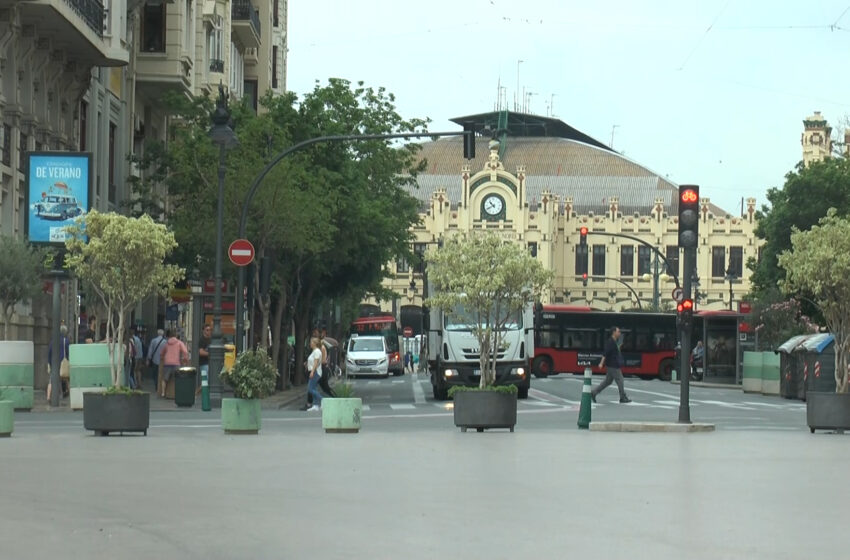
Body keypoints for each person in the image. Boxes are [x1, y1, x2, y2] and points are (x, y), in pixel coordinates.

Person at [591, 326, 632, 404]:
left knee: (608, 381)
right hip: (613, 365)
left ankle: (594, 392)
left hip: (612, 364)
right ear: (614, 332)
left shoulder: (615, 341)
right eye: (618, 331)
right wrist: (601, 363)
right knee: (620, 380)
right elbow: (605, 353)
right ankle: (622, 397)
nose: (619, 333)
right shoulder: (610, 342)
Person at [159, 329, 189, 398]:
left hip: (167, 363)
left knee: (165, 379)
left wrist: (162, 357)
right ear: (176, 335)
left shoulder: (166, 343)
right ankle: (178, 393)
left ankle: (163, 393)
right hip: (176, 363)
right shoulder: (179, 343)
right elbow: (185, 351)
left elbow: (162, 353)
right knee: (178, 379)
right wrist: (185, 358)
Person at [46, 325, 71, 401]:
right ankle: (70, 395)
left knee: (51, 381)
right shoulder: (66, 341)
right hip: (63, 363)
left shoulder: (53, 341)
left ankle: (48, 396)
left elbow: (49, 353)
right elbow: (68, 352)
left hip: (54, 363)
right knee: (66, 379)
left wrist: (49, 363)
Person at [306, 337, 323, 412]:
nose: (310, 343)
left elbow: (316, 362)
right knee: (314, 388)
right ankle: (315, 405)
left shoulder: (316, 351)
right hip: (314, 371)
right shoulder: (315, 351)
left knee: (310, 388)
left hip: (315, 372)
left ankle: (322, 400)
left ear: (315, 343)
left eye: (311, 342)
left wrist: (312, 372)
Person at [197, 324, 211, 395]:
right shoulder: (202, 340)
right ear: (203, 331)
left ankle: (203, 394)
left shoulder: (210, 339)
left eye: (209, 330)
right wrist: (210, 354)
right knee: (206, 380)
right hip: (204, 363)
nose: (209, 332)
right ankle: (196, 393)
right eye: (207, 330)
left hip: (209, 363)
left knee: (207, 380)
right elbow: (201, 352)